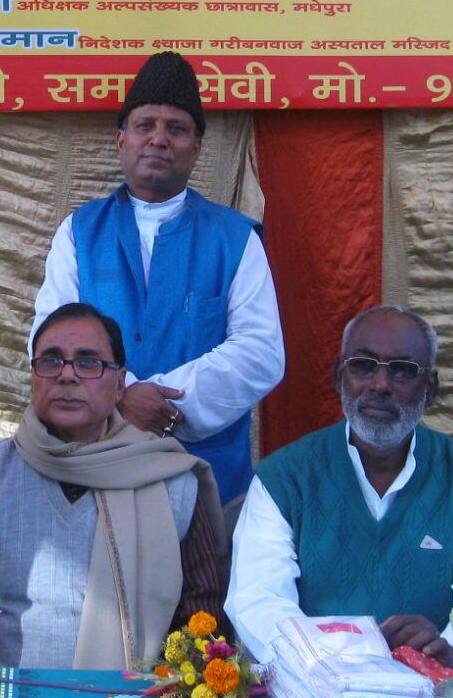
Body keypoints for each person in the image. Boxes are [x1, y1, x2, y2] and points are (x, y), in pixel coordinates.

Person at [0, 302, 225, 669]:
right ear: (33, 376)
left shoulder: (171, 484)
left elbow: (205, 636)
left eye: (89, 363)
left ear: (120, 384)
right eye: (51, 361)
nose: (67, 376)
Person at [31, 51, 284, 504]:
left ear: (197, 147)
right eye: (145, 125)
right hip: (96, 461)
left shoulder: (235, 238)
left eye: (177, 129)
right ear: (121, 138)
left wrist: (164, 404)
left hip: (207, 474)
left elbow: (260, 352)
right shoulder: (79, 233)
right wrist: (121, 397)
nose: (159, 140)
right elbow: (49, 341)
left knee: (206, 574)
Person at [227, 306, 453, 672]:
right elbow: (259, 602)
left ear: (430, 389)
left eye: (403, 370)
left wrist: (448, 649)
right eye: (364, 366)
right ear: (340, 375)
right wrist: (352, 654)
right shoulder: (284, 479)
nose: (380, 385)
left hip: (436, 687)